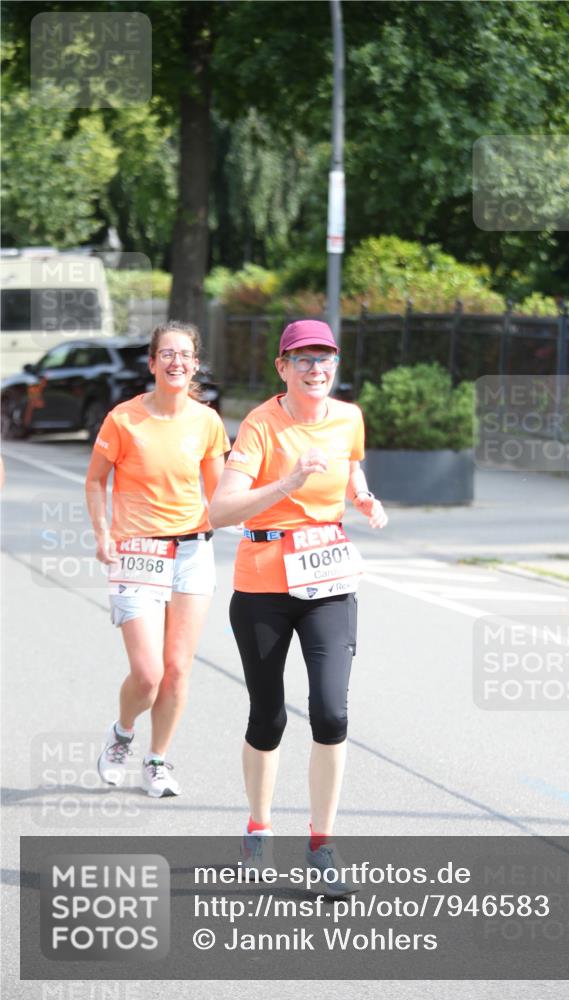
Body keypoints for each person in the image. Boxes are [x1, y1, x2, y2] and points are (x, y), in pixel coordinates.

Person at [209, 318, 387, 892]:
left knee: (332, 713)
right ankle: (258, 829)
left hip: (328, 580)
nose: (317, 369)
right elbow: (221, 510)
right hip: (263, 583)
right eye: (304, 360)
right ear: (282, 368)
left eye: (326, 359)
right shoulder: (261, 425)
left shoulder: (348, 418)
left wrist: (362, 497)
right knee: (269, 716)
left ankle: (321, 844)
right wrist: (286, 483)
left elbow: (351, 467)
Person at [86, 321, 229, 797]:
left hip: (191, 552)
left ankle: (158, 760)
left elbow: (222, 492)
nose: (176, 362)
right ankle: (123, 733)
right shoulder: (123, 420)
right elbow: (95, 480)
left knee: (177, 667)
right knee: (147, 674)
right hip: (137, 552)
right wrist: (103, 534)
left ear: (194, 365)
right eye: (166, 353)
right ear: (152, 364)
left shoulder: (207, 421)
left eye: (185, 354)